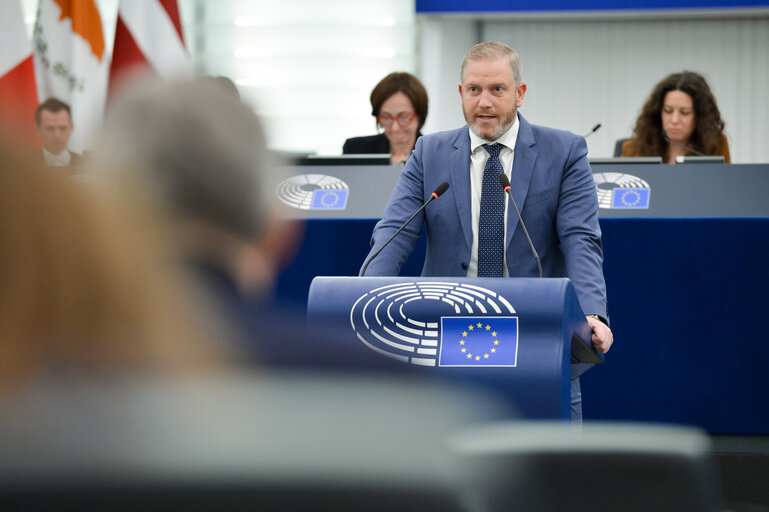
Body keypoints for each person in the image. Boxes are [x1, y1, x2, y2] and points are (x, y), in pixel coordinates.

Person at [360, 42, 613, 420]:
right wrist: (364, 299)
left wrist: (593, 313)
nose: (484, 102)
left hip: (535, 332)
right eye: (474, 90)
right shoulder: (429, 152)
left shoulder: (564, 151)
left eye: (497, 89)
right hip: (447, 336)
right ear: (461, 94)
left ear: (519, 94)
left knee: (551, 473)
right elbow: (395, 230)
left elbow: (581, 238)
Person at [621, 71, 730, 164]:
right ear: (658, 113)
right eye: (668, 111)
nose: (674, 120)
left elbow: (723, 185)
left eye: (685, 112)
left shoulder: (716, 146)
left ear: (700, 117)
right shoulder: (633, 149)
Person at [343, 72, 428, 165]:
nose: (395, 128)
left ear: (419, 116)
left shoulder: (436, 154)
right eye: (386, 118)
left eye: (403, 118)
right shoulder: (355, 150)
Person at [34, 98, 82, 168]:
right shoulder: (21, 166)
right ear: (38, 130)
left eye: (63, 128)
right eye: (49, 129)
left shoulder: (90, 167)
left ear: (71, 128)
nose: (57, 136)